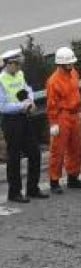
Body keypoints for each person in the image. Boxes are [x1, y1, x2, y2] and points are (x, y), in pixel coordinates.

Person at [0, 48, 47, 203]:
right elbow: (3, 107)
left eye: (19, 63)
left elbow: (28, 89)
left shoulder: (19, 74)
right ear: (8, 64)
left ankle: (32, 188)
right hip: (11, 121)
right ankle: (14, 193)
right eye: (16, 64)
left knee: (35, 153)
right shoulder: (1, 80)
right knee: (14, 157)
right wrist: (22, 106)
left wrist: (31, 101)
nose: (19, 66)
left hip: (24, 118)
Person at [46, 47, 81, 193]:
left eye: (72, 62)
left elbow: (77, 94)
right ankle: (54, 181)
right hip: (61, 116)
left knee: (76, 148)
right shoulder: (53, 81)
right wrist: (54, 123)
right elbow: (51, 104)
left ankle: (73, 177)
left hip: (74, 114)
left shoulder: (74, 73)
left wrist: (80, 111)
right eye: (68, 63)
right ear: (61, 64)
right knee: (58, 150)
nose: (71, 65)